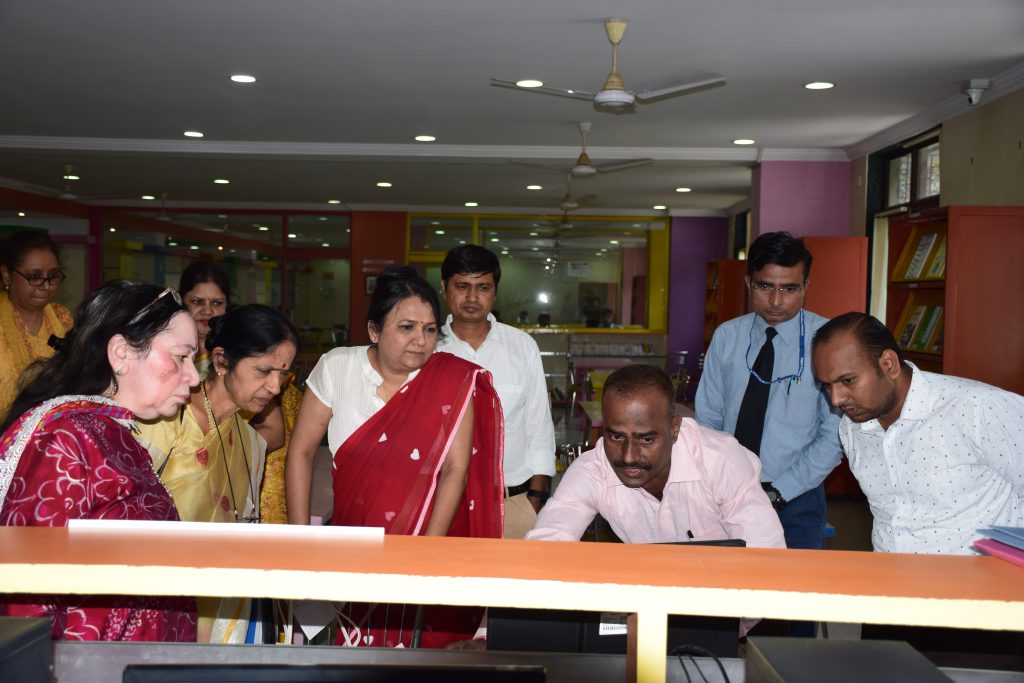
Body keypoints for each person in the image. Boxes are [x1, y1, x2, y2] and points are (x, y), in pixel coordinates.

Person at [285, 265, 503, 648]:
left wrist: (427, 552)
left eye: (430, 329)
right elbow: (301, 452)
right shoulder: (338, 367)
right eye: (406, 327)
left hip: (421, 539)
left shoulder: (451, 381)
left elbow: (456, 469)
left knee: (414, 649)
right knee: (343, 649)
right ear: (374, 330)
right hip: (350, 542)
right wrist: (301, 539)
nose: (420, 340)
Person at [0, 280, 198, 641]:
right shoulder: (66, 435)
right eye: (181, 357)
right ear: (121, 353)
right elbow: (27, 591)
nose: (194, 376)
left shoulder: (106, 430)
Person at [135, 304, 298, 643]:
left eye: (282, 374)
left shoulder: (250, 442)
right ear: (222, 360)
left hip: (220, 607)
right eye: (263, 371)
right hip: (154, 598)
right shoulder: (168, 418)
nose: (275, 387)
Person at [812, 312, 1024, 555]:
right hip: (891, 574)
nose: (836, 399)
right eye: (827, 385)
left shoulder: (978, 408)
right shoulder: (852, 426)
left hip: (980, 575)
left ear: (888, 364)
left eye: (848, 380)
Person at [527, 364, 785, 548]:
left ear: (674, 429)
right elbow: (548, 542)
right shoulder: (593, 469)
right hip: (649, 596)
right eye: (616, 437)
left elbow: (765, 557)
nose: (629, 457)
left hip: (725, 598)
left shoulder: (720, 461)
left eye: (646, 439)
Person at [695, 231, 842, 552]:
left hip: (798, 497)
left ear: (806, 286)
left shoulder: (828, 340)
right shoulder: (727, 337)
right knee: (727, 580)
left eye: (789, 289)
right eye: (765, 287)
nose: (776, 301)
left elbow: (834, 436)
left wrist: (779, 491)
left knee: (795, 582)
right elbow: (708, 421)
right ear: (749, 283)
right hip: (726, 495)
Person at [437, 245, 555, 539]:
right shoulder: (427, 348)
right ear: (444, 288)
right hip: (442, 505)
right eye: (462, 286)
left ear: (495, 291)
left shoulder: (522, 346)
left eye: (483, 287)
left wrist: (535, 499)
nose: (472, 297)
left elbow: (539, 427)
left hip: (511, 503)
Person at [0, 230, 74, 420]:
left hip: (53, 429)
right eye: (34, 276)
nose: (46, 286)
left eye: (53, 276)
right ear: (7, 275)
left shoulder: (62, 317)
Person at [178, 260, 231, 379]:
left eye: (217, 303)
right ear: (181, 302)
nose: (207, 311)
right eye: (197, 302)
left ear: (227, 305)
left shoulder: (239, 352)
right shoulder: (166, 349)